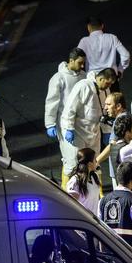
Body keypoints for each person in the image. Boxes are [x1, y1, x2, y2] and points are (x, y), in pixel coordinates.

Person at [44, 47, 87, 186]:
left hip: (81, 123)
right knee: (71, 159)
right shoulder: (58, 78)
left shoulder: (83, 75)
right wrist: (50, 124)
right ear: (71, 60)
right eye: (80, 62)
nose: (82, 66)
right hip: (64, 124)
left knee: (82, 157)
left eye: (83, 63)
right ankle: (66, 189)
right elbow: (52, 102)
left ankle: (80, 187)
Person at [60, 68, 117, 156]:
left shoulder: (105, 90)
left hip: (94, 132)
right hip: (78, 131)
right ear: (101, 79)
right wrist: (69, 128)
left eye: (110, 84)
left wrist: (106, 130)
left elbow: (105, 113)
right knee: (77, 162)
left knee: (94, 161)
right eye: (107, 83)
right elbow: (70, 108)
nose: (108, 86)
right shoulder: (83, 86)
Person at [66, 148, 101, 213]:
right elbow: (71, 206)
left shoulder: (95, 176)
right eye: (94, 160)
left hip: (95, 220)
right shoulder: (75, 181)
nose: (96, 162)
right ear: (89, 164)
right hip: (83, 221)